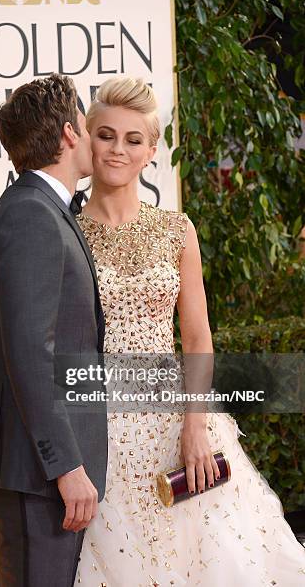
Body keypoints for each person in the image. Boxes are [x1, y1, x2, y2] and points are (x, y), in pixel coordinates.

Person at [70, 77, 305, 586]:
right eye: (106, 135)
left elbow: (197, 339)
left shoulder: (178, 230)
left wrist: (195, 426)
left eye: (134, 139)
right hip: (100, 426)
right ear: (87, 139)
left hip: (179, 418)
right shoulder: (66, 233)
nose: (118, 149)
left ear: (151, 150)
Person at [0, 74, 107, 587]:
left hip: (36, 477)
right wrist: (66, 467)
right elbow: (29, 353)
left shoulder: (36, 208)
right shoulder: (31, 214)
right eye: (90, 127)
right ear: (70, 134)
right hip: (37, 477)